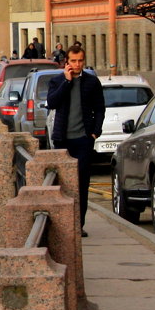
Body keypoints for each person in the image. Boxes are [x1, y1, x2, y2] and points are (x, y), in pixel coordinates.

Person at [46, 43, 105, 237]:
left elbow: (100, 108)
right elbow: (52, 102)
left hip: (83, 140)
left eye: (80, 61)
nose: (77, 64)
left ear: (84, 61)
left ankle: (78, 225)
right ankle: (63, 224)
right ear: (67, 62)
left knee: (81, 185)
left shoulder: (92, 82)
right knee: (62, 184)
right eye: (73, 61)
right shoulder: (57, 81)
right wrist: (67, 81)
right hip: (62, 140)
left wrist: (95, 132)